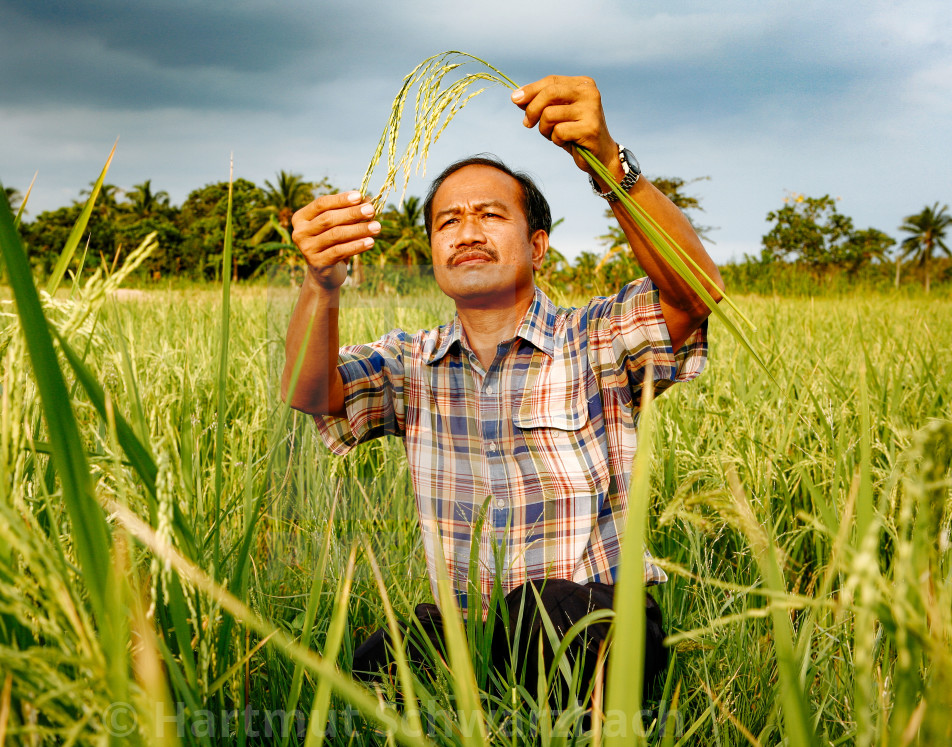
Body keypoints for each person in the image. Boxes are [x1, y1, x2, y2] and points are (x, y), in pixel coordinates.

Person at [280, 75, 724, 704]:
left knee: (546, 610)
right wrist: (320, 280)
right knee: (367, 672)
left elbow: (694, 293)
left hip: (591, 618)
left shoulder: (593, 340)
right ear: (434, 250)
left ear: (537, 246)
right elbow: (310, 391)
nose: (467, 232)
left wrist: (608, 163)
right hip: (474, 628)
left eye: (491, 216)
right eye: (447, 222)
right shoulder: (412, 363)